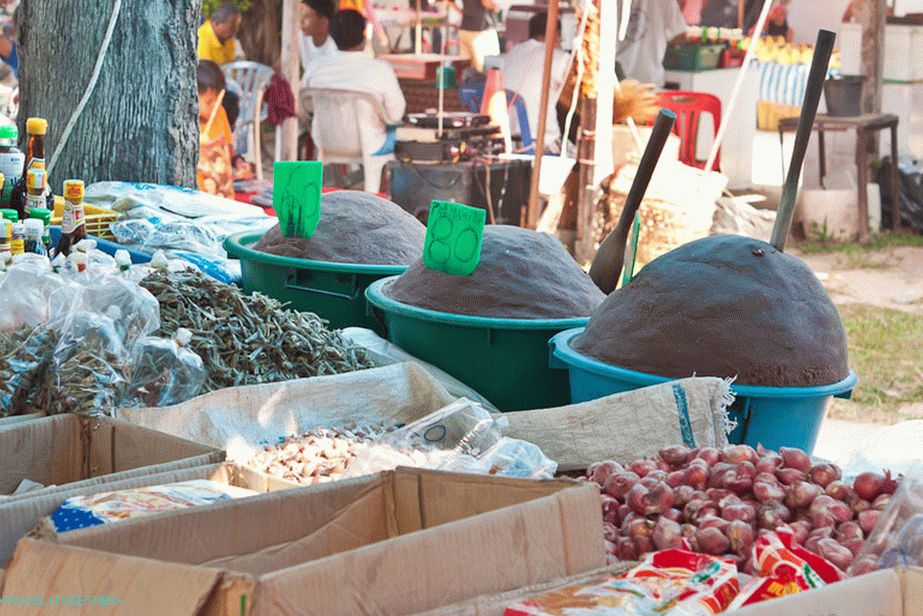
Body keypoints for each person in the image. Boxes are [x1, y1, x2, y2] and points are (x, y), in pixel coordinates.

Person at [303, 10, 406, 156]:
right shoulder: (381, 70)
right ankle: (378, 178)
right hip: (372, 145)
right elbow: (396, 114)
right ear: (363, 36)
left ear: (331, 36)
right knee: (394, 133)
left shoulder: (315, 68)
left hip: (325, 142)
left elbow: (307, 108)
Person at [503, 12, 569, 151]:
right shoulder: (559, 57)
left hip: (508, 140)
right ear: (555, 33)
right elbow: (574, 96)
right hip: (540, 143)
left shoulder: (513, 52)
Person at [196, 61, 252, 198]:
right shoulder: (186, 124)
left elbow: (228, 145)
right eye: (209, 101)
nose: (216, 105)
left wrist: (238, 162)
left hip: (224, 194)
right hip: (200, 196)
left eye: (218, 99)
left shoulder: (220, 113)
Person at [616, 0, 688, 87]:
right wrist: (664, 43)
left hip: (619, 76)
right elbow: (681, 35)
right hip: (650, 78)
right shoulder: (666, 2)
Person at [447, 0, 500, 73]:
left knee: (468, 68)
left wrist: (462, 12)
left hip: (465, 28)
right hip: (480, 30)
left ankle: (469, 83)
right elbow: (486, 2)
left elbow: (449, 1)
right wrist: (495, 6)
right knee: (486, 67)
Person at [299, 0, 337, 86]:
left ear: (323, 22)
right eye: (300, 15)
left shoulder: (335, 46)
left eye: (307, 17)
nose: (301, 21)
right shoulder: (300, 36)